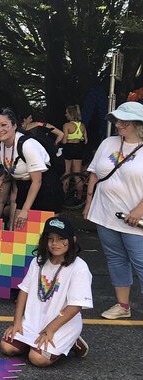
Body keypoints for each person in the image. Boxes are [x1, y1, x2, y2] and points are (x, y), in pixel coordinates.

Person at [0, 217, 91, 366]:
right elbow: (24, 290)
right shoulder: (39, 261)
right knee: (7, 347)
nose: (55, 244)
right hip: (35, 318)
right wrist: (17, 322)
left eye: (61, 239)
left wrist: (50, 329)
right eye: (50, 239)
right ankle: (38, 343)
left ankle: (71, 340)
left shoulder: (79, 268)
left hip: (61, 322)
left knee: (37, 359)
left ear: (73, 239)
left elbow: (75, 306)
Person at [83, 101, 143, 319]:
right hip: (105, 213)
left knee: (141, 262)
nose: (118, 124)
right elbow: (94, 173)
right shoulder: (109, 142)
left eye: (123, 121)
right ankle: (123, 306)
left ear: (139, 124)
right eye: (117, 120)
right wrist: (89, 204)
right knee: (115, 258)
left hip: (134, 219)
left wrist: (139, 210)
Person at [0, 108, 58, 230]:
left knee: (42, 231)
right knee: (20, 229)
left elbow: (37, 181)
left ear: (14, 126)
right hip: (23, 186)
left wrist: (25, 210)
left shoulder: (27, 145)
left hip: (45, 187)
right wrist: (2, 178)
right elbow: (11, 166)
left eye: (4, 125)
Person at [61, 104, 88, 198]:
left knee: (67, 172)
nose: (65, 115)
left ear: (71, 114)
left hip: (68, 148)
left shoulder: (66, 125)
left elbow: (64, 141)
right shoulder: (82, 126)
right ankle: (79, 196)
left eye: (66, 113)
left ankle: (64, 195)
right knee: (77, 174)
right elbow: (85, 141)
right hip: (79, 148)